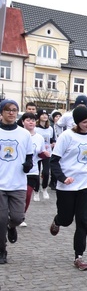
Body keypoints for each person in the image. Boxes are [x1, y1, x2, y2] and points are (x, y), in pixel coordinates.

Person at [49, 105, 87, 271]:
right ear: (77, 122)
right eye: (85, 122)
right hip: (67, 185)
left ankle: (79, 256)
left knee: (83, 220)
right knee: (66, 219)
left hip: (85, 184)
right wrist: (63, 178)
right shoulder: (66, 136)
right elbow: (54, 161)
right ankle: (58, 221)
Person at [0, 99, 33, 264]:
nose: (11, 113)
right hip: (0, 183)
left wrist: (28, 164)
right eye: (8, 110)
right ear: (2, 113)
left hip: (18, 182)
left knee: (18, 217)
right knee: (0, 219)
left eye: (14, 110)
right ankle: (1, 251)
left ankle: (11, 228)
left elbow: (29, 155)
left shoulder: (24, 133)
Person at [20, 113, 48, 225]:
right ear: (22, 122)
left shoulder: (39, 137)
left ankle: (21, 216)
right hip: (18, 171)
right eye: (28, 120)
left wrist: (44, 154)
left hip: (33, 170)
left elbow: (40, 153)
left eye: (32, 120)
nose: (31, 122)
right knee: (18, 195)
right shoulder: (19, 134)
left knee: (27, 195)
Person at [35, 109, 54, 201]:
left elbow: (52, 139)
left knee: (46, 172)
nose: (45, 116)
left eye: (46, 114)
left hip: (47, 152)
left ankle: (44, 188)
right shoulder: (35, 128)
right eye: (42, 114)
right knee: (36, 172)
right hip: (37, 153)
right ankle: (36, 191)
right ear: (39, 116)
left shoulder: (50, 128)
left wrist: (53, 143)